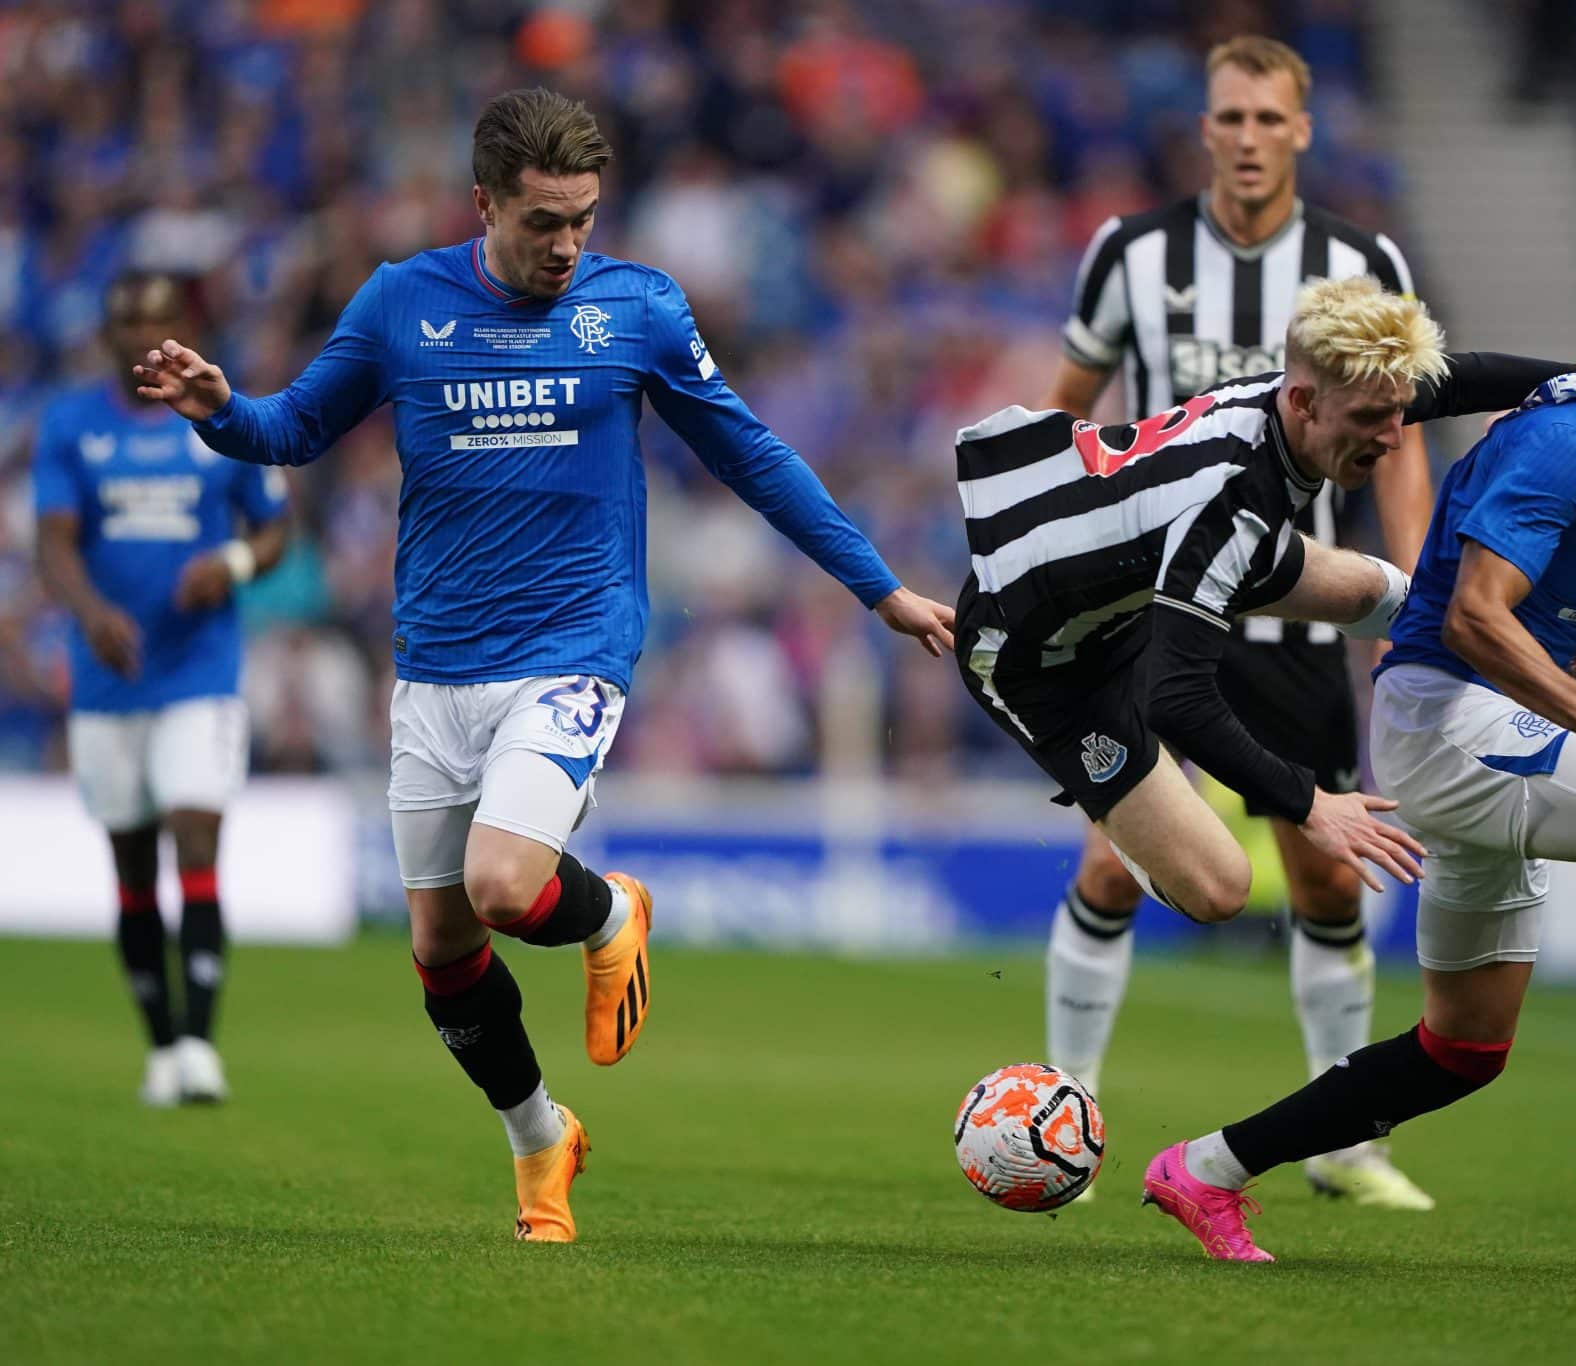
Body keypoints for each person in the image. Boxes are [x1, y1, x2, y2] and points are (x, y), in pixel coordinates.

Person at [132, 88, 954, 1241]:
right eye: (540, 222)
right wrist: (221, 410)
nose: (566, 245)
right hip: (434, 667)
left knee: (506, 885)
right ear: (484, 205)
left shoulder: (638, 312)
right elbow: (294, 432)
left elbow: (752, 456)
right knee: (441, 949)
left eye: (581, 219)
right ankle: (539, 1138)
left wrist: (878, 586)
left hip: (572, 648)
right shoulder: (400, 304)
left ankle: (603, 905)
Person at [1141, 369, 1576, 1261]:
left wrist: (1554, 618)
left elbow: (1480, 539)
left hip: (1485, 725)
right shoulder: (1574, 451)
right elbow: (1471, 617)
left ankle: (1205, 1170)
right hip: (1448, 721)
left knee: (1462, 1049)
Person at [957, 274, 1576, 982]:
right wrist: (1311, 805)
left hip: (1143, 574)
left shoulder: (1323, 395)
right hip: (1035, 656)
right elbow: (1176, 696)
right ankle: (1119, 805)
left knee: (1383, 592)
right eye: (1372, 421)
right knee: (1219, 888)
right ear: (1303, 403)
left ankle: (1516, 662)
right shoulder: (1233, 502)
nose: (1392, 438)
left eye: (1396, 413)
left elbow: (1453, 382)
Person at [1041, 35, 1439, 1209]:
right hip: (1155, 612)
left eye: (1269, 118)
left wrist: (1404, 587)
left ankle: (1343, 1138)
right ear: (1203, 128)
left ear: (1302, 130)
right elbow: (1064, 414)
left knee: (1326, 875)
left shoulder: (1360, 261)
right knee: (1114, 861)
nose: (1249, 138)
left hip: (1297, 603)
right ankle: (1063, 1112)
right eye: (1230, 117)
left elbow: (1398, 442)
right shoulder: (1131, 255)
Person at [33, 272, 289, 1108]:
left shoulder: (218, 416)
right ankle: (159, 1045)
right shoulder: (71, 423)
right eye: (124, 321)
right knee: (133, 864)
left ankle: (200, 1043)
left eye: (157, 321)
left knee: (196, 832)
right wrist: (91, 610)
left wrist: (234, 563)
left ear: (183, 328)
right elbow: (55, 540)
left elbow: (276, 525)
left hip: (199, 673)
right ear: (104, 332)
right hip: (113, 676)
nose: (140, 336)